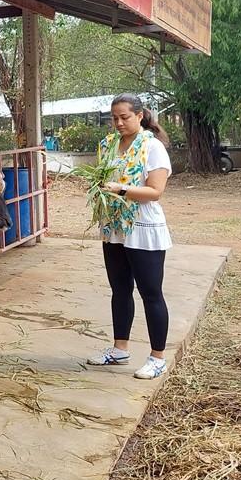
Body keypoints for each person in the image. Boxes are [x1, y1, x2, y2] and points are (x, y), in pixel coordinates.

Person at [86, 94, 174, 379]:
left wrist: (121, 189)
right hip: (115, 228)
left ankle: (157, 357)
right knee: (120, 290)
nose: (119, 123)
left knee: (151, 293)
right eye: (114, 118)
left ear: (139, 115)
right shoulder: (108, 146)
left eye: (124, 117)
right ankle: (119, 349)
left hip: (142, 227)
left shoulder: (152, 147)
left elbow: (155, 191)